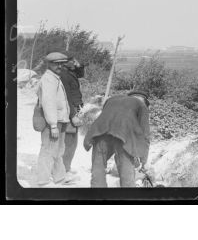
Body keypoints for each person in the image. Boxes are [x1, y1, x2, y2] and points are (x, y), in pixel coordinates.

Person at [83, 89, 150, 188]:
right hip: (123, 137)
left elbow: (105, 117)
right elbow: (145, 135)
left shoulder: (112, 100)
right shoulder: (141, 105)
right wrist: (144, 161)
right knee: (126, 174)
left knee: (98, 169)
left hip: (100, 133)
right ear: (144, 100)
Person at [36, 52, 77, 186]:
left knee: (59, 150)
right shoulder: (48, 79)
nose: (59, 66)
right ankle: (43, 181)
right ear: (49, 64)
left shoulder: (55, 78)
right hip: (53, 121)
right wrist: (53, 125)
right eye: (56, 63)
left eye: (61, 63)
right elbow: (48, 103)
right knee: (48, 151)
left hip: (61, 119)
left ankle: (60, 177)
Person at [59, 55, 85, 173]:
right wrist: (73, 115)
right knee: (69, 142)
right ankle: (64, 169)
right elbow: (66, 97)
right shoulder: (64, 75)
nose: (75, 63)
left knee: (71, 140)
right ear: (65, 62)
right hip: (71, 109)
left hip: (75, 107)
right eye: (72, 61)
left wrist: (79, 66)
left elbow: (80, 74)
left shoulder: (68, 71)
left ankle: (64, 168)